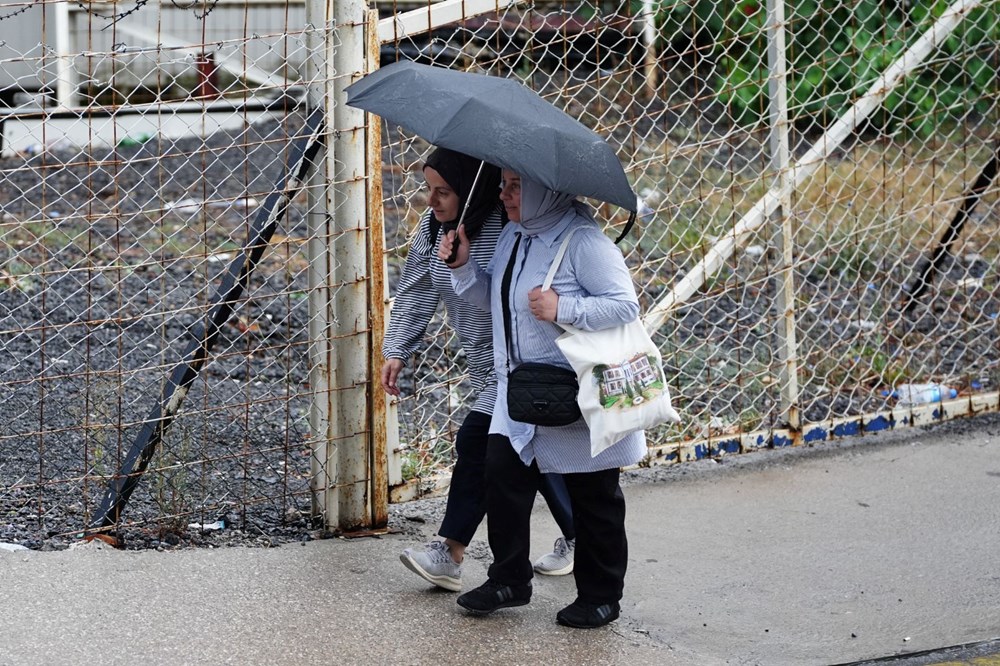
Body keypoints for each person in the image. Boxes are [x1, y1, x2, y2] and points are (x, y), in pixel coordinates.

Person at [438, 169, 646, 628]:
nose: (504, 194)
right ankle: (508, 579)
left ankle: (600, 595)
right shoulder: (517, 235)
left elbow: (624, 304)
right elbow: (496, 302)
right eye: (504, 184)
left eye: (515, 185)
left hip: (577, 395)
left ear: (545, 189)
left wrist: (564, 308)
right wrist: (465, 267)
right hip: (519, 393)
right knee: (503, 478)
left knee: (594, 497)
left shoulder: (584, 241)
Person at [381, 148, 576, 593]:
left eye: (443, 191)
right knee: (534, 456)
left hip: (526, 363)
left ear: (471, 190)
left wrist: (465, 264)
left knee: (480, 442)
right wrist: (397, 348)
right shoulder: (433, 231)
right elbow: (415, 290)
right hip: (485, 365)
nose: (431, 200)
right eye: (428, 188)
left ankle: (449, 553)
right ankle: (579, 532)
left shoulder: (508, 229)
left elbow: (510, 297)